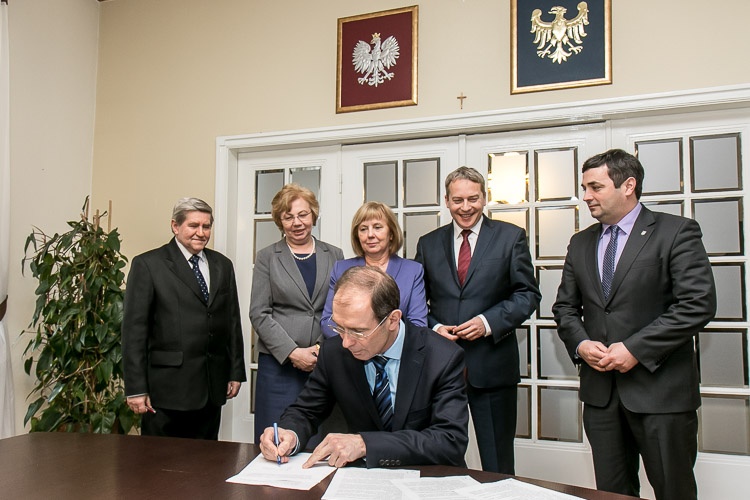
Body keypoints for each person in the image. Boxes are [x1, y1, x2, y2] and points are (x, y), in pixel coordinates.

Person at [552, 149, 716, 500]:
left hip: (662, 395)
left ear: (628, 185)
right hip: (601, 397)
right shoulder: (580, 242)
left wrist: (635, 349)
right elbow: (565, 307)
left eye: (595, 187)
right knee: (612, 493)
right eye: (584, 188)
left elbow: (697, 304)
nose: (586, 196)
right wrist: (581, 344)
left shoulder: (676, 232)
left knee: (674, 491)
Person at [259, 266, 469, 469]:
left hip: (428, 475)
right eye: (339, 327)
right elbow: (306, 410)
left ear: (393, 320)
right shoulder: (334, 353)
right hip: (360, 478)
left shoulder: (442, 357)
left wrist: (365, 444)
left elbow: (450, 440)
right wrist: (289, 434)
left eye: (358, 331)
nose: (346, 342)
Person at [415, 166, 540, 474]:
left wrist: (487, 322)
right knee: (436, 457)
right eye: (458, 200)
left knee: (497, 463)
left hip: (492, 367)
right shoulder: (427, 243)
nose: (466, 207)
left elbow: (527, 295)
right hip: (439, 369)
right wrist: (434, 327)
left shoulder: (511, 237)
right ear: (447, 201)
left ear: (484, 198)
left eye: (473, 199)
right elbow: (415, 303)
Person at [122, 197, 246, 439]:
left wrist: (235, 371)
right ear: (175, 226)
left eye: (206, 226)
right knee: (160, 460)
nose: (201, 232)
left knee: (207, 459)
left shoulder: (222, 265)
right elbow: (134, 331)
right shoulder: (148, 264)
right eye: (193, 225)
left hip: (211, 388)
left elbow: (232, 322)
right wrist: (136, 388)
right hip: (166, 391)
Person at [250, 184, 344, 443]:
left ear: (313, 214)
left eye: (303, 214)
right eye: (288, 217)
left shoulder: (335, 255)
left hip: (323, 362)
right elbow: (259, 313)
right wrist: (293, 352)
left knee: (319, 441)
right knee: (276, 440)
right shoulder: (267, 257)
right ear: (279, 221)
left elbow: (339, 309)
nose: (297, 223)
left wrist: (320, 349)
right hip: (279, 366)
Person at [320, 201, 427, 338]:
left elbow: (418, 325)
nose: (370, 234)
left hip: (396, 350)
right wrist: (358, 339)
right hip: (348, 347)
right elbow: (327, 321)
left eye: (377, 227)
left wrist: (376, 342)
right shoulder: (341, 269)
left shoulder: (413, 270)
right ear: (357, 236)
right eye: (363, 229)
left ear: (391, 234)